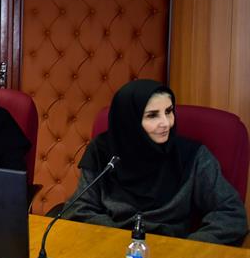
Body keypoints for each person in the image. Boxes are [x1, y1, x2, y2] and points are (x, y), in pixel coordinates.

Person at [62, 79, 247, 245]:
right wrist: (122, 241)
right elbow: (79, 209)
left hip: (172, 252)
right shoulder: (102, 151)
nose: (166, 123)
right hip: (110, 247)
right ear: (129, 120)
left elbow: (231, 214)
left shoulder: (193, 155)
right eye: (152, 115)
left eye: (169, 112)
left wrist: (188, 248)